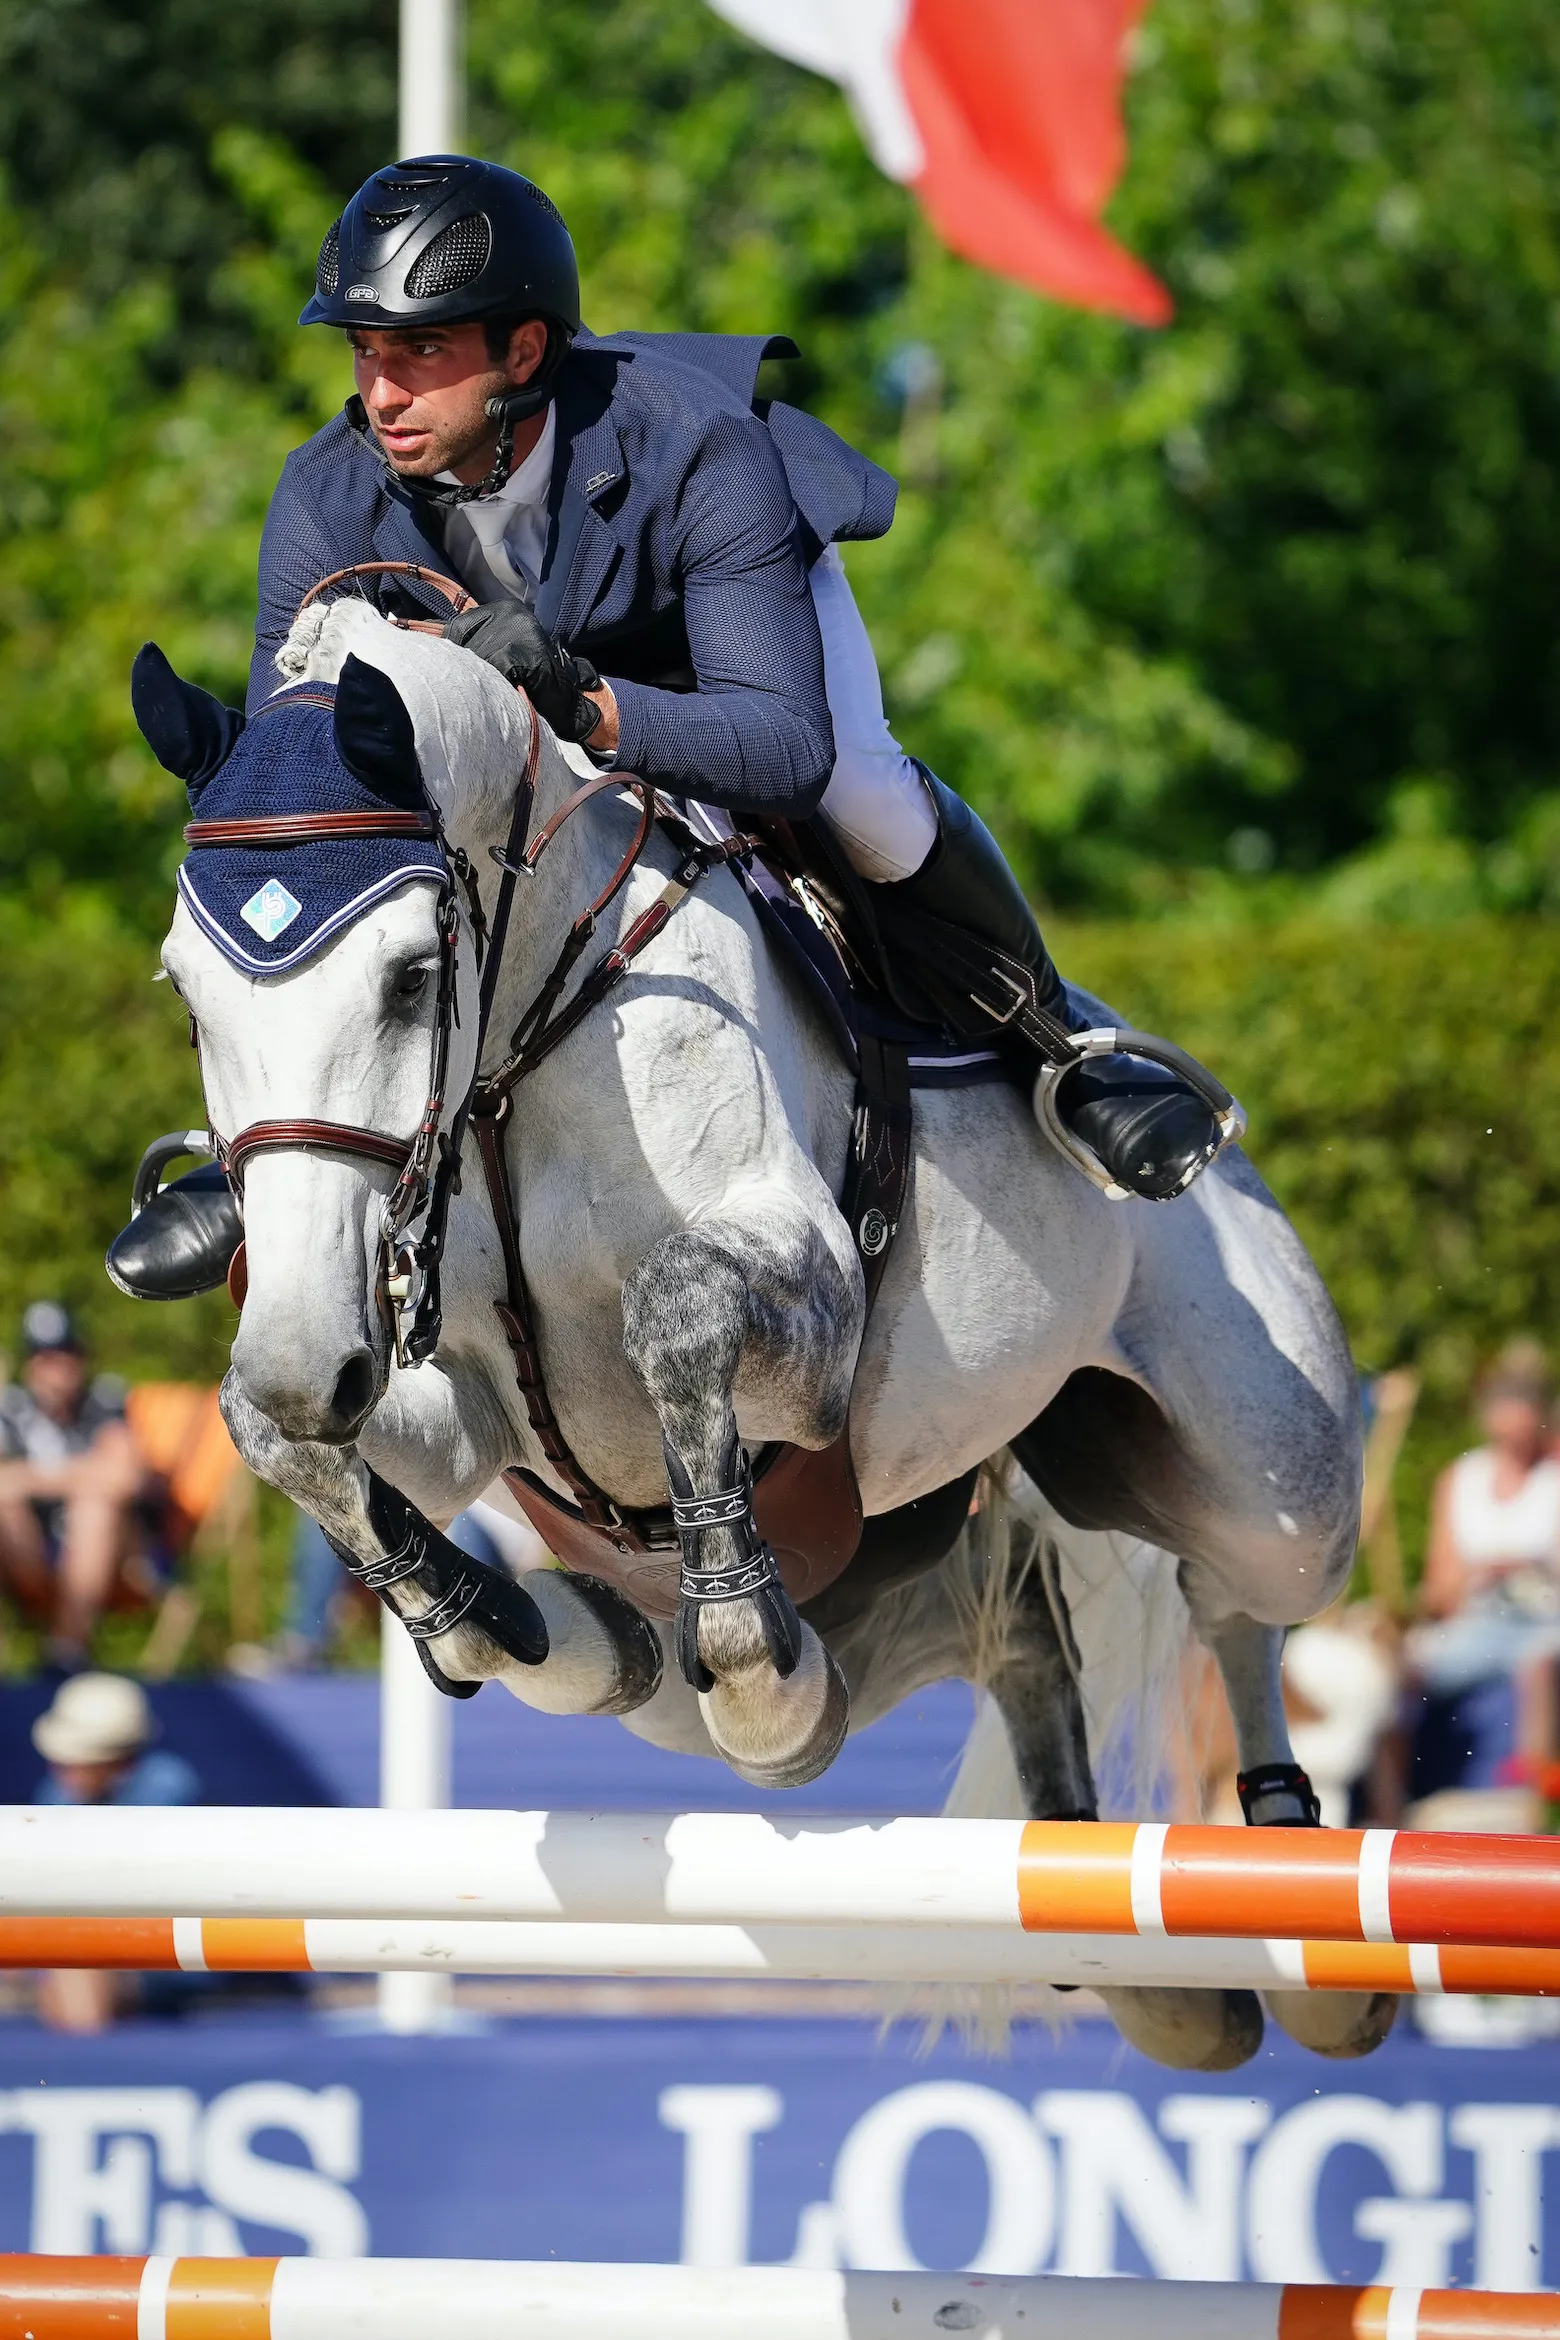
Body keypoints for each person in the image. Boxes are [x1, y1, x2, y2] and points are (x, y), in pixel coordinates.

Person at [109, 154, 1235, 1304]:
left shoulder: (698, 447)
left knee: (868, 796)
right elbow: (298, 777)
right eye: (365, 352)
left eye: (421, 353)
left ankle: (1060, 1046)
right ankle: (249, 1165)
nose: (382, 393)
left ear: (525, 352)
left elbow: (786, 751)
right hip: (532, 680)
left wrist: (585, 703)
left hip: (726, 656)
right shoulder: (325, 494)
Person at [1406, 1339, 1560, 1773]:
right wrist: (1475, 1576)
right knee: (1404, 1668)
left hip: (1544, 1622)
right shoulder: (1460, 1479)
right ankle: (1392, 1796)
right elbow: (1439, 1589)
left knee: (1539, 1664)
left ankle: (1535, 1791)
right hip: (1475, 1623)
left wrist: (1525, 1566)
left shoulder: (1553, 1478)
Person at [30, 1671, 199, 2032]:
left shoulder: (168, 1788)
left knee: (79, 1963)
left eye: (75, 1759)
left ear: (114, 1757)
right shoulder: (58, 1792)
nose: (62, 1769)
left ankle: (82, 2072)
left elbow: (148, 1894)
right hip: (81, 1953)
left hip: (159, 1958)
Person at [0, 1302, 155, 1673]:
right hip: (30, 1557)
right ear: (30, 1362)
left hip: (124, 1559)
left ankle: (66, 1653)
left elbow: (125, 1478)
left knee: (94, 1508)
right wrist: (84, 1473)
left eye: (69, 1352)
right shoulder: (12, 1409)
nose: (60, 1367)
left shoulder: (104, 1399)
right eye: (46, 1355)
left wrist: (30, 1477)